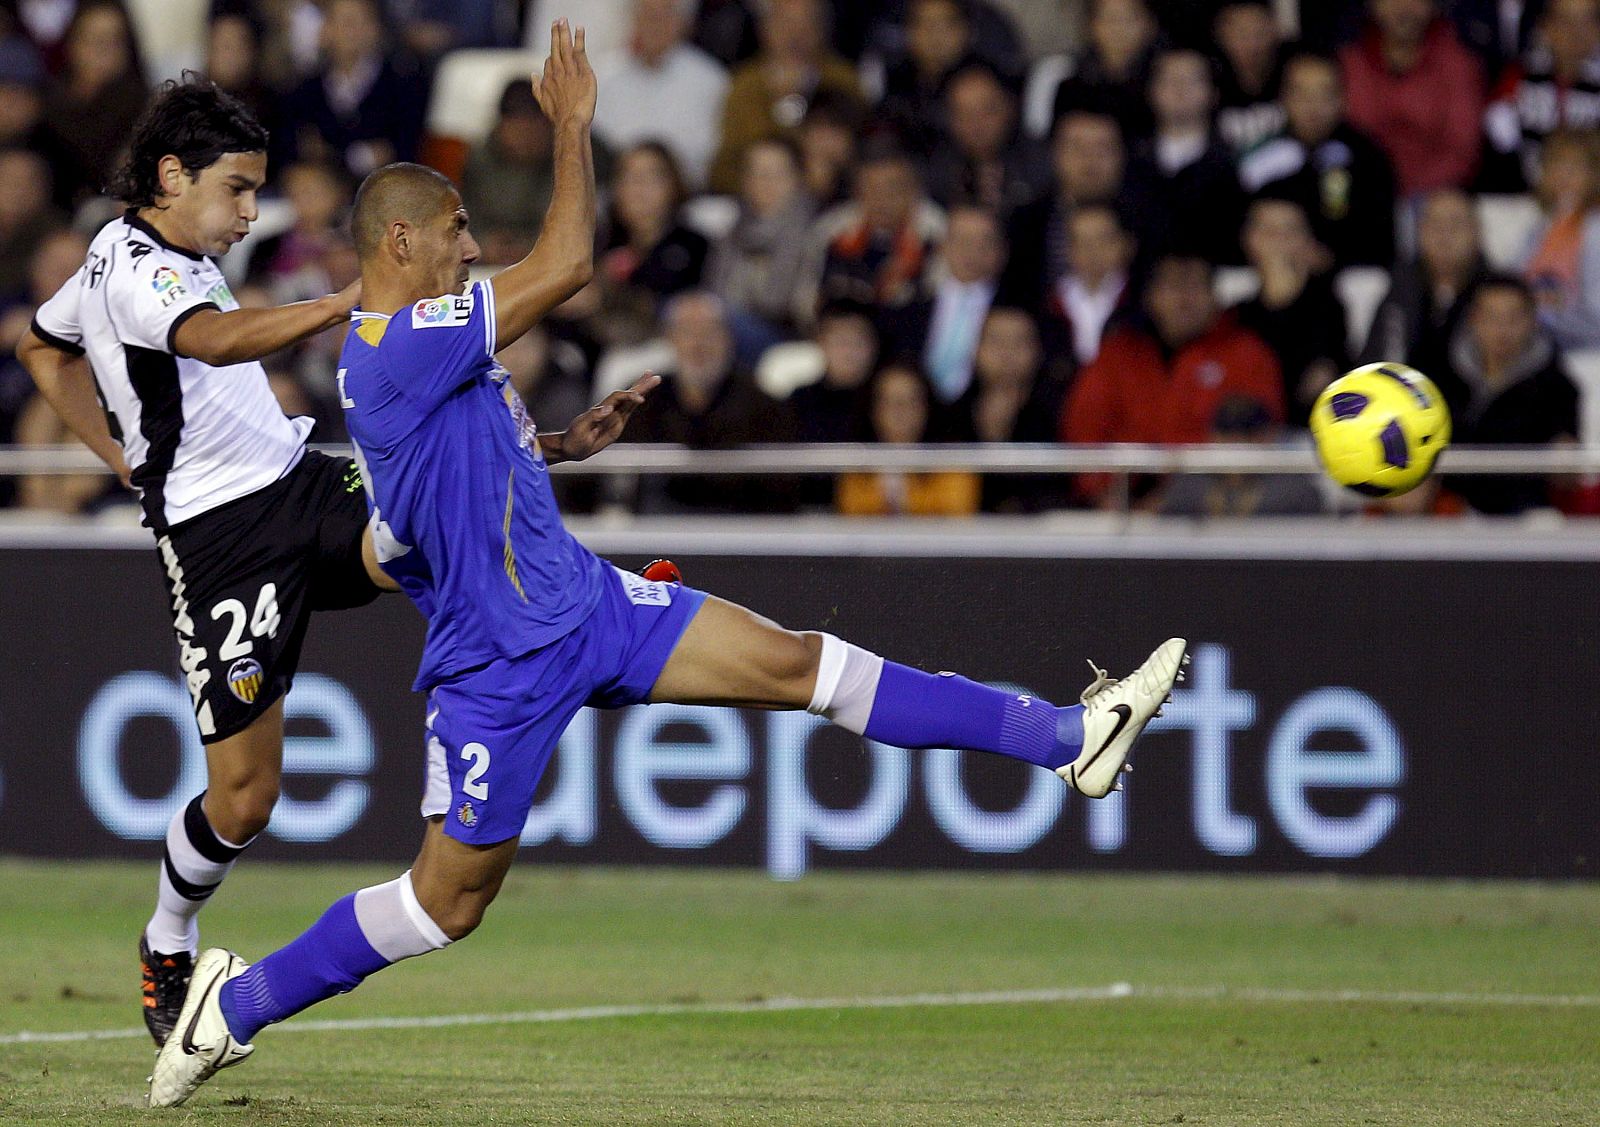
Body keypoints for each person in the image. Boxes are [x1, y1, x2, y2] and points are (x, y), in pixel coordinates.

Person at [147, 24, 1187, 1107]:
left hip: (591, 603)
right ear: (400, 239)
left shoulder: (431, 347)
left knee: (803, 663)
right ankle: (236, 1004)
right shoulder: (399, 340)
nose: (473, 243)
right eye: (456, 230)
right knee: (445, 902)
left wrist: (558, 444)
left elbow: (455, 472)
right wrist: (572, 128)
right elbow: (569, 265)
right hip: (498, 666)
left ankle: (1068, 737)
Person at [14, 77, 398, 1051]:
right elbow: (215, 340)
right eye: (237, 189)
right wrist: (339, 303)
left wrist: (117, 452)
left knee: (425, 528)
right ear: (172, 175)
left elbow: (40, 345)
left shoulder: (139, 252)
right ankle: (167, 935)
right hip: (220, 543)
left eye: (255, 190)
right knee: (245, 797)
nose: (249, 212)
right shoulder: (137, 270)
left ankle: (603, 616)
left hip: (298, 482)